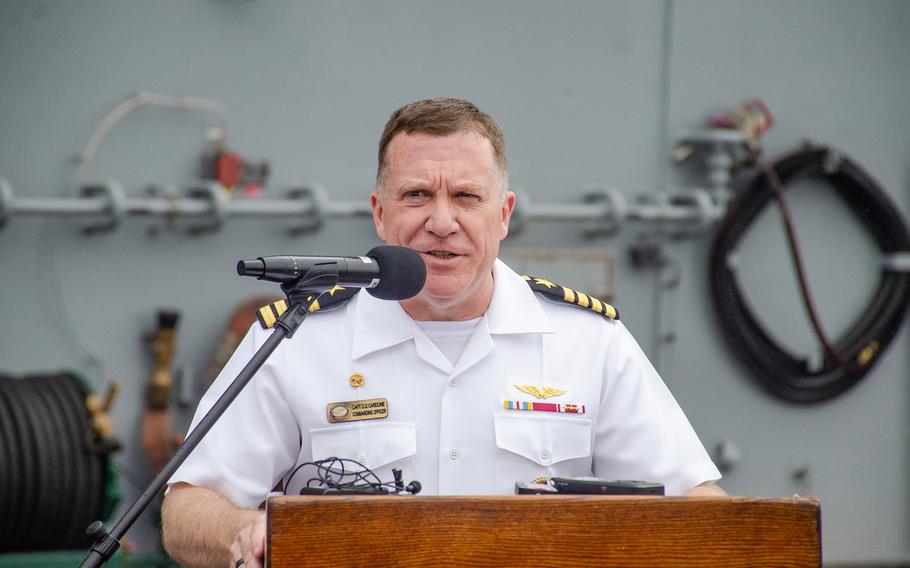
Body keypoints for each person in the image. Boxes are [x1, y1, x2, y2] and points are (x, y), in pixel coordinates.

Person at [162, 98, 724, 568]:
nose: (442, 221)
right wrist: (244, 530)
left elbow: (694, 499)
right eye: (416, 196)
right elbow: (186, 509)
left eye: (466, 196)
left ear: (503, 215)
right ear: (380, 214)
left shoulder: (588, 342)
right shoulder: (297, 338)